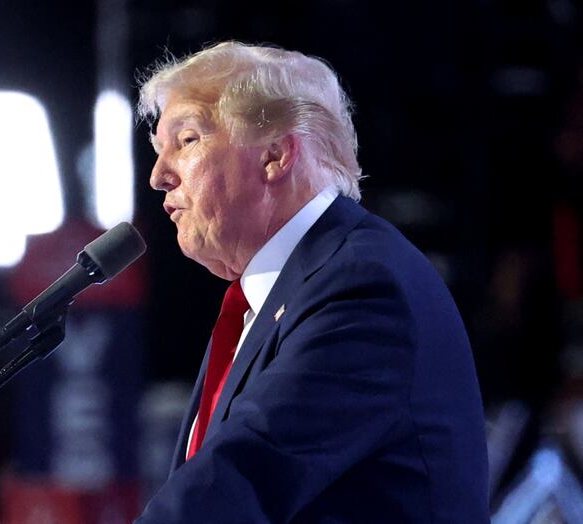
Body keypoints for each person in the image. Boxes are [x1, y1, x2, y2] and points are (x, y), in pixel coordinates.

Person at [135, 41, 489, 523]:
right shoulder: (274, 296)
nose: (158, 175)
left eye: (188, 139)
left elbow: (242, 476)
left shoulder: (362, 287)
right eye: (159, 150)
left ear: (275, 155)